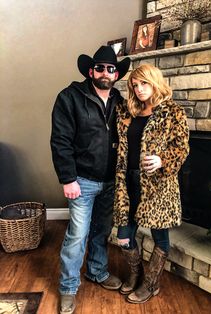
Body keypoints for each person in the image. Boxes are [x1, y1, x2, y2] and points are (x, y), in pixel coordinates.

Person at [50, 45, 130, 314]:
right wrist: (68, 178)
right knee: (77, 236)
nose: (105, 72)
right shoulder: (70, 97)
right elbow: (60, 141)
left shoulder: (120, 101)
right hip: (81, 181)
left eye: (110, 69)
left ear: (116, 74)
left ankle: (97, 272)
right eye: (99, 68)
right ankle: (68, 288)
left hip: (110, 182)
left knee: (101, 232)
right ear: (90, 71)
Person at [113, 64, 189, 304]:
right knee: (124, 236)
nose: (139, 89)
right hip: (129, 182)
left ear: (154, 81)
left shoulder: (173, 111)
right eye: (134, 85)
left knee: (160, 236)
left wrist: (162, 159)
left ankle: (151, 284)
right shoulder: (128, 112)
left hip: (158, 185)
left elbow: (182, 147)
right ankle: (138, 274)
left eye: (143, 83)